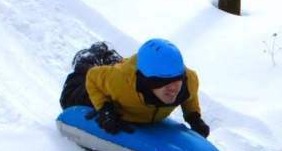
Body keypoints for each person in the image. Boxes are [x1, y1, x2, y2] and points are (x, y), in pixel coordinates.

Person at [61, 39, 211, 138]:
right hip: (111, 90)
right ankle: (92, 54)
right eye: (164, 81)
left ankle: (113, 58)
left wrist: (194, 118)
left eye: (177, 80)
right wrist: (105, 108)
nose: (173, 88)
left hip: (130, 71)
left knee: (118, 67)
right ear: (149, 82)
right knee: (69, 98)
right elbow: (93, 77)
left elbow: (189, 97)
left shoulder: (189, 80)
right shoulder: (121, 82)